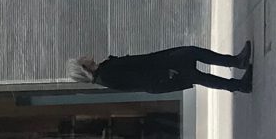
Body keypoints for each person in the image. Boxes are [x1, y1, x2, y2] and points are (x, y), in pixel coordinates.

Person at [69, 42, 254, 94]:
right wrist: (165, 73)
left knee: (193, 60)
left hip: (160, 66)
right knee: (196, 70)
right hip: (161, 74)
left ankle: (237, 68)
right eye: (83, 60)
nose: (86, 56)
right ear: (85, 68)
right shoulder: (106, 75)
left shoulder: (104, 70)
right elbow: (138, 78)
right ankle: (238, 80)